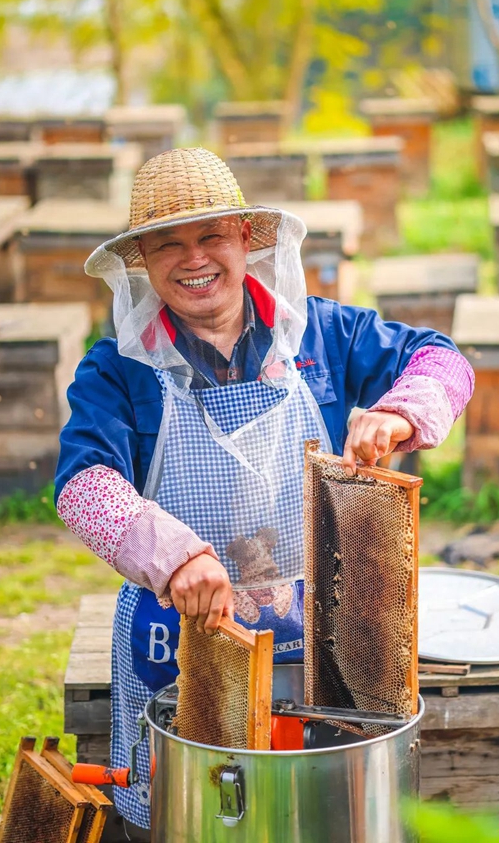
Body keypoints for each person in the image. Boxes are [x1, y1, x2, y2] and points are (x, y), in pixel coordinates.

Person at [55, 147, 474, 839]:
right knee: (196, 817)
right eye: (169, 245)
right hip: (178, 646)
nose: (195, 260)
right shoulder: (120, 370)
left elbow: (440, 358)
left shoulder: (320, 337)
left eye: (211, 236)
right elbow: (83, 484)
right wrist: (176, 558)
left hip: (319, 652)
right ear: (143, 263)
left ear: (245, 239)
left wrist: (398, 412)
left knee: (318, 816)